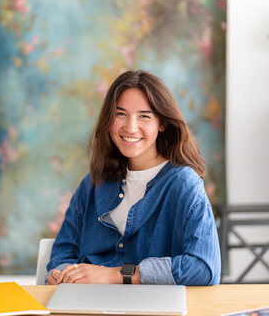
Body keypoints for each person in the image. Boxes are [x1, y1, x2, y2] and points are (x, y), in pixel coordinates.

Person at [46, 70, 221, 286]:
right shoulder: (92, 184)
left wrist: (115, 275)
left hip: (154, 305)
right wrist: (61, 273)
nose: (130, 127)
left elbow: (205, 268)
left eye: (144, 116)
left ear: (162, 123)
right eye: (120, 114)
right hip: (88, 302)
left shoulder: (184, 184)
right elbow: (62, 254)